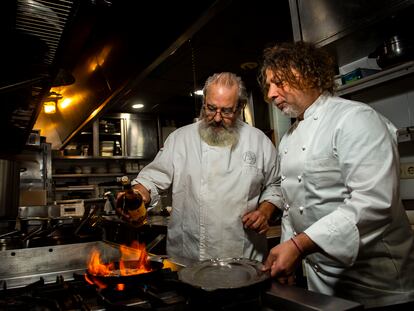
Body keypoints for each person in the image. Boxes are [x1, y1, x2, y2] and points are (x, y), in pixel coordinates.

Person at [258, 41, 414, 309]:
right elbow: (291, 207)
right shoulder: (288, 138)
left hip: (376, 282)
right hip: (322, 280)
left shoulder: (355, 118)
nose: (271, 94)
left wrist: (298, 247)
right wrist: (288, 254)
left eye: (279, 82)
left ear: (307, 73)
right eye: (268, 86)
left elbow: (374, 201)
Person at [130, 72, 279, 262]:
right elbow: (151, 179)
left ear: (240, 107)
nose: (216, 118)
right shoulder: (180, 139)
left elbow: (276, 184)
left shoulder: (259, 141)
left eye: (226, 111)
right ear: (204, 103)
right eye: (211, 108)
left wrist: (265, 211)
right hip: (189, 256)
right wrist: (137, 194)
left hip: (243, 256)